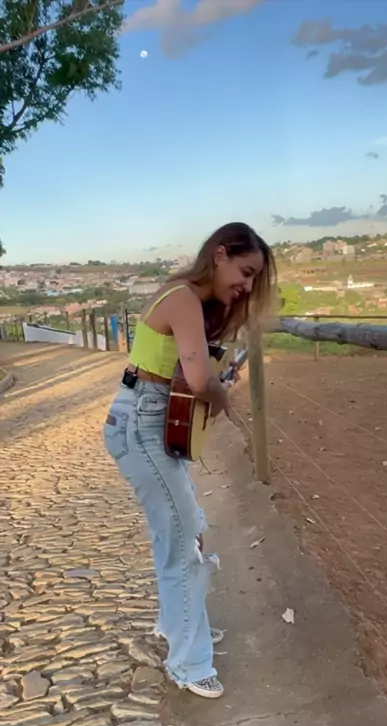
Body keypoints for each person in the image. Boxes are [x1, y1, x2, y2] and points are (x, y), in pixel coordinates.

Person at [104, 222, 277, 699]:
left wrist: (216, 384)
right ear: (219, 255)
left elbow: (190, 375)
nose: (247, 286)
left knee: (181, 533)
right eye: (245, 272)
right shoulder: (182, 299)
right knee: (184, 541)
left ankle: (179, 623)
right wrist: (222, 395)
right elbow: (199, 381)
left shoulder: (186, 298)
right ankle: (189, 662)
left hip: (150, 420)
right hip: (144, 424)